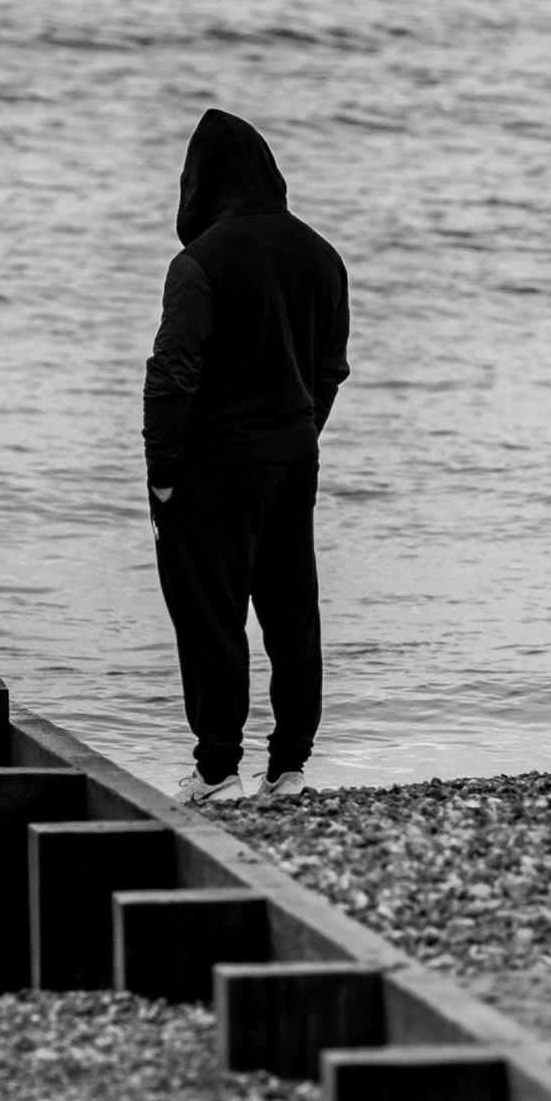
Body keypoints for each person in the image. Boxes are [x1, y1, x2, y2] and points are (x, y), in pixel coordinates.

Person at [142, 109, 350, 807]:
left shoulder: (199, 262)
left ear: (200, 182)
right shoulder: (321, 255)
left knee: (211, 617)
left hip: (212, 470)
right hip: (292, 461)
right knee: (293, 616)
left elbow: (172, 374)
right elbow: (330, 370)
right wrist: (300, 433)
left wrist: (162, 473)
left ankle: (217, 772)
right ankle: (289, 769)